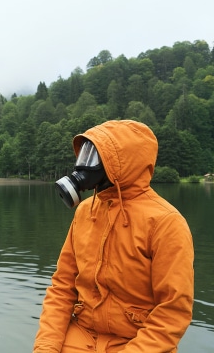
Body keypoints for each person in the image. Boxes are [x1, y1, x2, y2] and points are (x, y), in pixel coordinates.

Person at [33, 120, 194, 353]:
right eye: (84, 155)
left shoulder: (166, 222)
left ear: (122, 163)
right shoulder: (84, 211)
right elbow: (62, 287)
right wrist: (46, 348)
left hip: (138, 342)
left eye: (95, 157)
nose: (85, 165)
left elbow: (172, 312)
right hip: (80, 336)